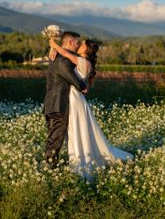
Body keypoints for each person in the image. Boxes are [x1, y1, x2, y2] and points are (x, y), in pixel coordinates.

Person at [49, 38, 133, 179]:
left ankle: (81, 161)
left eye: (82, 45)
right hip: (77, 99)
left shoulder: (81, 61)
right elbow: (86, 87)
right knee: (77, 130)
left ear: (86, 50)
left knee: (76, 130)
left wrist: (53, 44)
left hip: (74, 99)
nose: (79, 46)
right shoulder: (88, 64)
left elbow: (63, 52)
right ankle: (79, 158)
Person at [43, 31, 87, 168]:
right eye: (77, 43)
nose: (78, 46)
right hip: (57, 104)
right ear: (70, 42)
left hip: (52, 102)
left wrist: (54, 47)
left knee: (53, 136)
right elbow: (73, 79)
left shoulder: (56, 56)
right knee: (56, 138)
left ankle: (51, 164)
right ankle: (50, 167)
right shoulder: (62, 60)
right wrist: (83, 86)